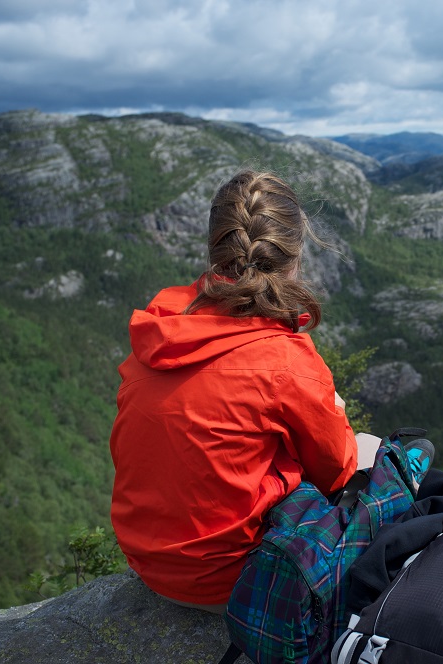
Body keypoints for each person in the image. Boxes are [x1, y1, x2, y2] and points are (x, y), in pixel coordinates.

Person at [109, 170, 382, 613]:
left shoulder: (157, 332)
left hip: (148, 563)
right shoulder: (285, 359)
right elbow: (336, 472)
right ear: (295, 256)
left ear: (216, 248)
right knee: (370, 451)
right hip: (229, 582)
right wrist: (334, 412)